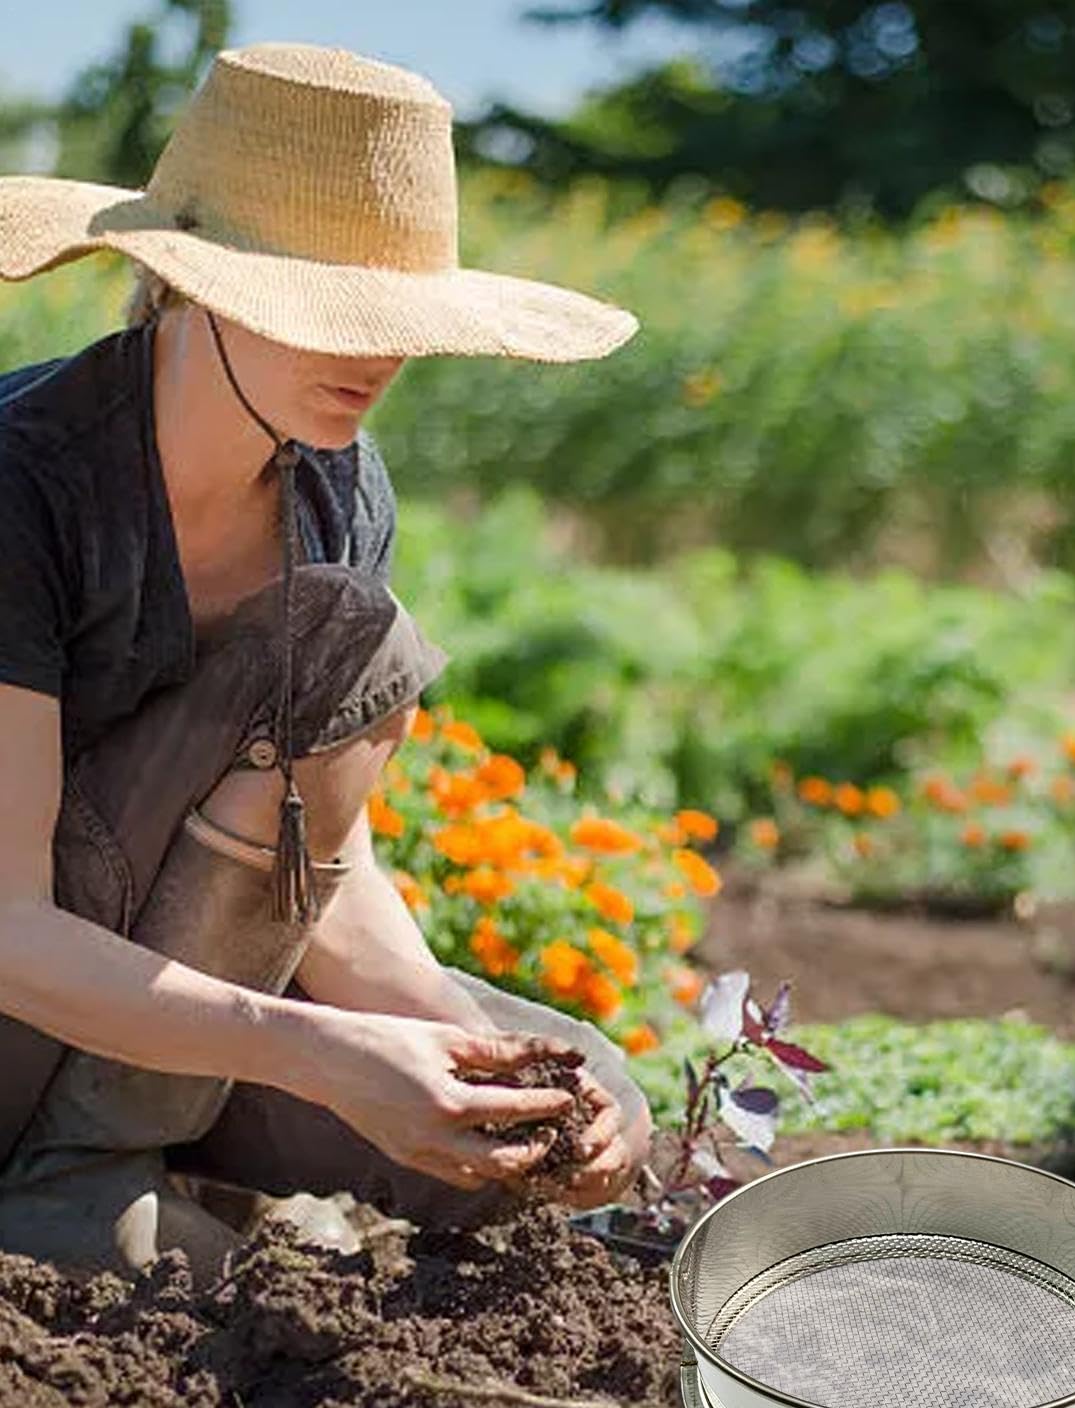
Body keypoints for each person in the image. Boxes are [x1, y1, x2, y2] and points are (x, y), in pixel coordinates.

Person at [0, 41, 655, 1283]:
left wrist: (462, 1047)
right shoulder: (27, 485)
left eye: (397, 320)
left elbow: (304, 856)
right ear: (191, 285)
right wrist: (319, 1051)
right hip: (25, 994)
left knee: (567, 1106)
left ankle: (141, 1180)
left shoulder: (331, 482)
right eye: (330, 313)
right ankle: (74, 1195)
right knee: (352, 632)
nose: (377, 356)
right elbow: (8, 929)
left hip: (158, 1017)